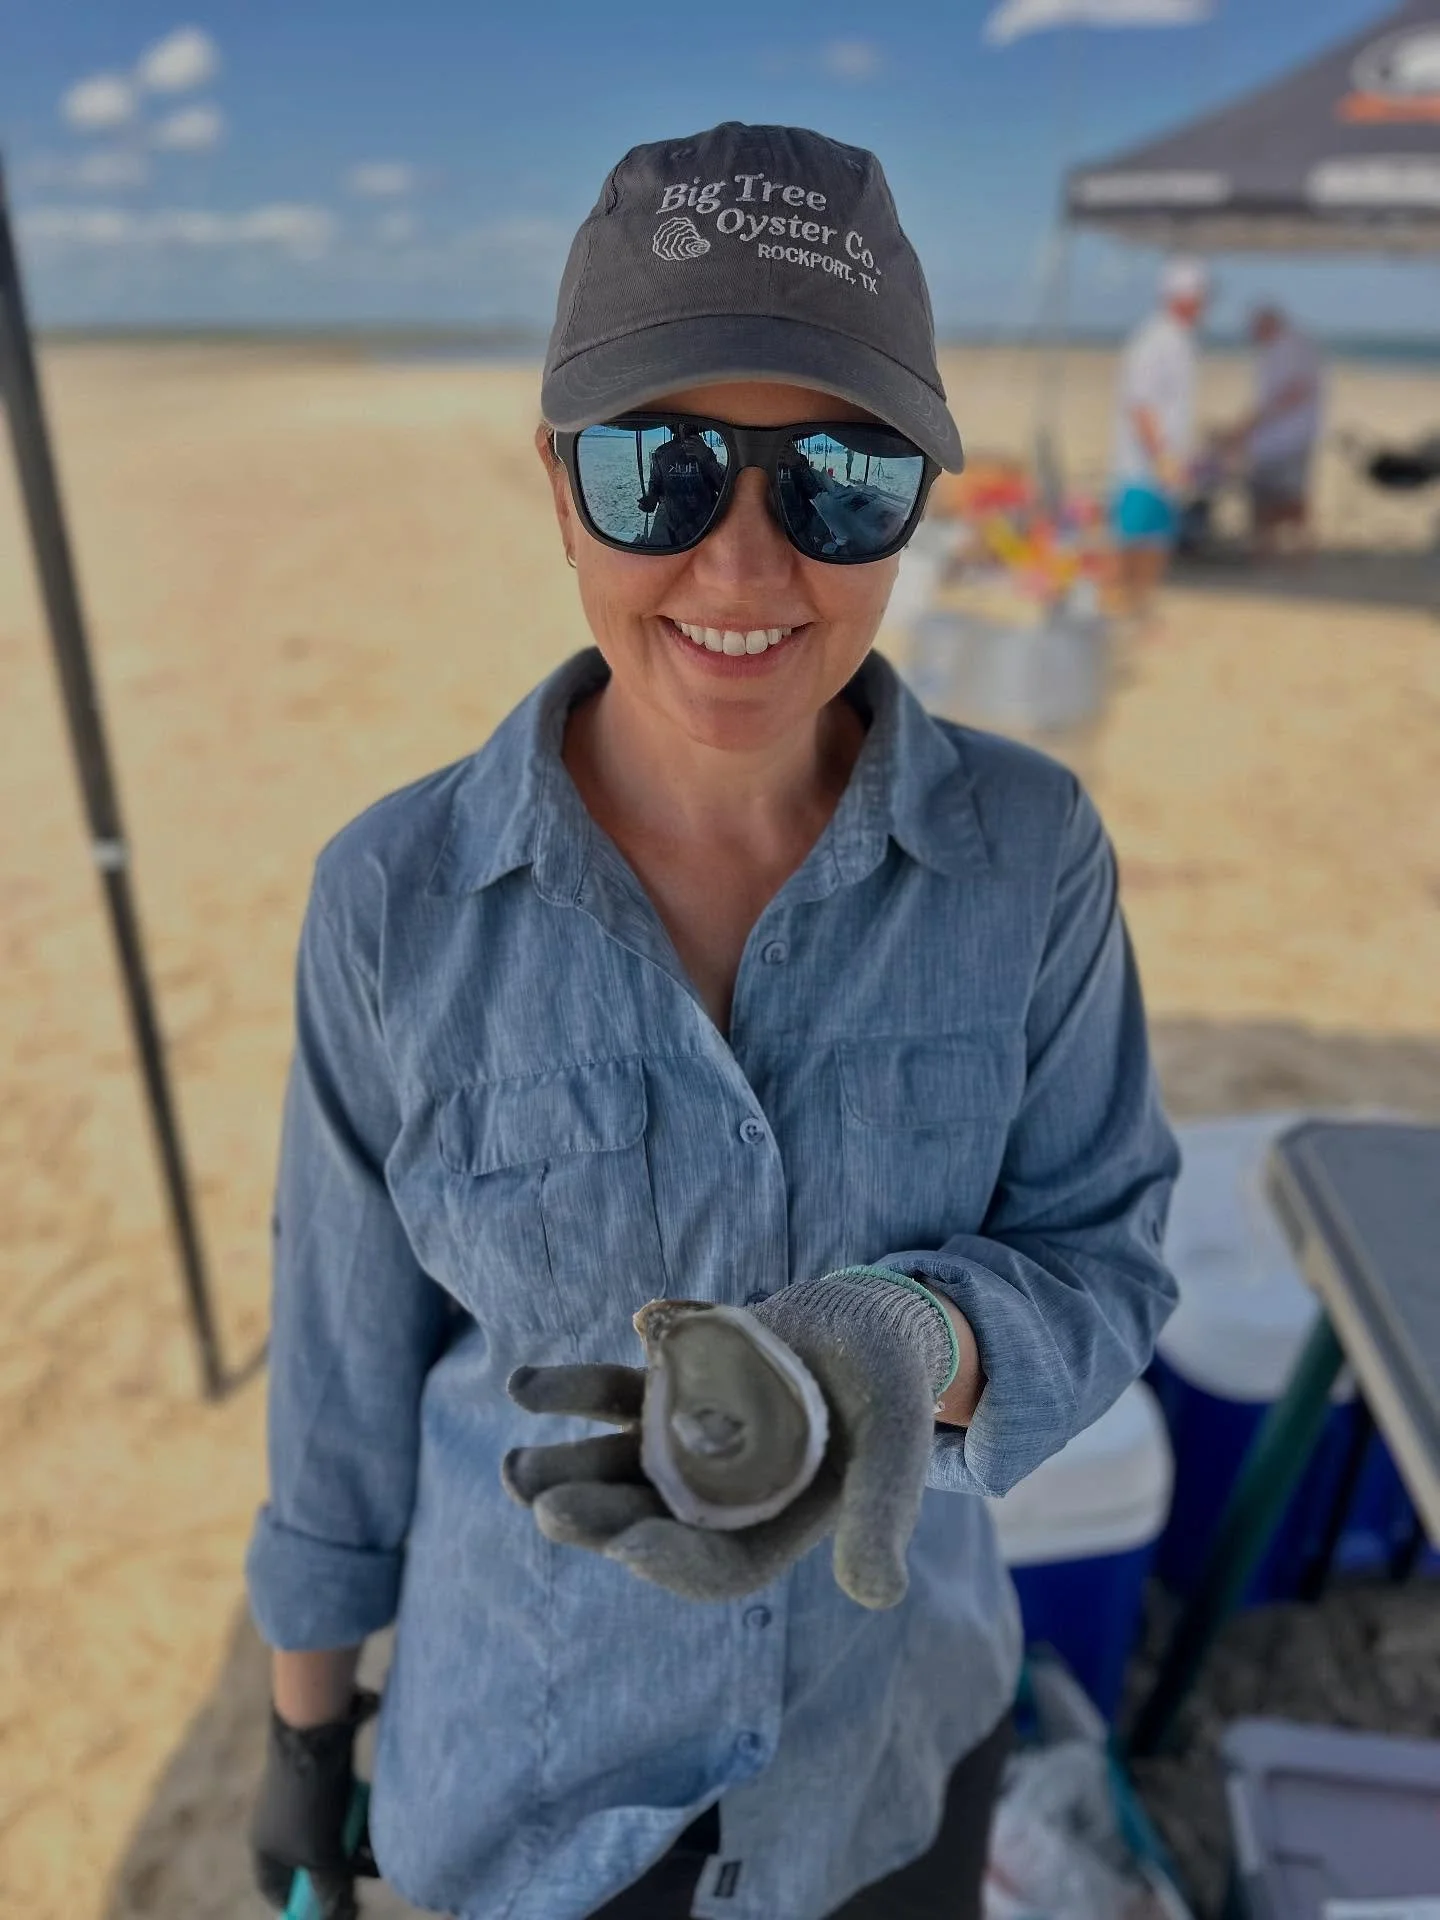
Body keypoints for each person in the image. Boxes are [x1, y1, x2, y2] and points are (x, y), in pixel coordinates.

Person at [245, 121, 1179, 1920]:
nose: (746, 573)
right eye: (660, 470)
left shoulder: (1033, 859)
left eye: (838, 479)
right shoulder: (392, 902)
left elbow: (1107, 1251)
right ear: (555, 478)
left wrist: (909, 1342)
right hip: (527, 1791)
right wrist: (301, 1745)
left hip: (888, 1759)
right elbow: (342, 1385)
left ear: (922, 490)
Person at [1109, 257, 1208, 618]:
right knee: (1132, 541)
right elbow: (1141, 405)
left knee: (1157, 541)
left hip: (1165, 464)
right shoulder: (1154, 340)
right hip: (1142, 464)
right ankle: (1121, 610)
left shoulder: (1180, 340)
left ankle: (1141, 608)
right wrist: (1161, 455)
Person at [1227, 305, 1322, 553]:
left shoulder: (1292, 347)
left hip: (1290, 437)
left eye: (1255, 328)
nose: (1252, 334)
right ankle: (1267, 545)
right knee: (1267, 493)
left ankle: (1297, 548)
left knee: (1288, 496)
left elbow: (1295, 391)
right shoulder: (1274, 349)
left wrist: (1253, 422)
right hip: (1274, 438)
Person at [637, 420, 727, 547]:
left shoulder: (706, 452)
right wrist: (652, 498)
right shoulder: (662, 453)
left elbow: (723, 487)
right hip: (673, 525)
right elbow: (655, 483)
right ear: (675, 427)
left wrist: (705, 456)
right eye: (683, 424)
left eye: (692, 425)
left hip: (705, 526)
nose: (688, 428)